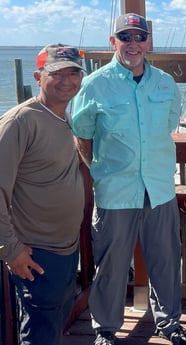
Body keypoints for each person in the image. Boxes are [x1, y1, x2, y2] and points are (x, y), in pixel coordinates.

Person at [71, 13, 186, 345]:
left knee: (166, 260)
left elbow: (167, 127)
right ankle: (106, 329)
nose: (133, 44)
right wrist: (99, 170)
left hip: (158, 189)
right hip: (115, 191)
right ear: (114, 42)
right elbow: (81, 133)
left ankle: (169, 322)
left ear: (148, 42)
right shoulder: (93, 84)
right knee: (110, 267)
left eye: (139, 37)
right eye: (125, 37)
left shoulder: (165, 84)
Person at [0, 44, 85, 345]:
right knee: (39, 333)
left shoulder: (62, 117)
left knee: (54, 325)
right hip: (36, 252)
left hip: (66, 249)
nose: (66, 81)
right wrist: (10, 250)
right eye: (56, 73)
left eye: (73, 73)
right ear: (38, 76)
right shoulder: (20, 121)